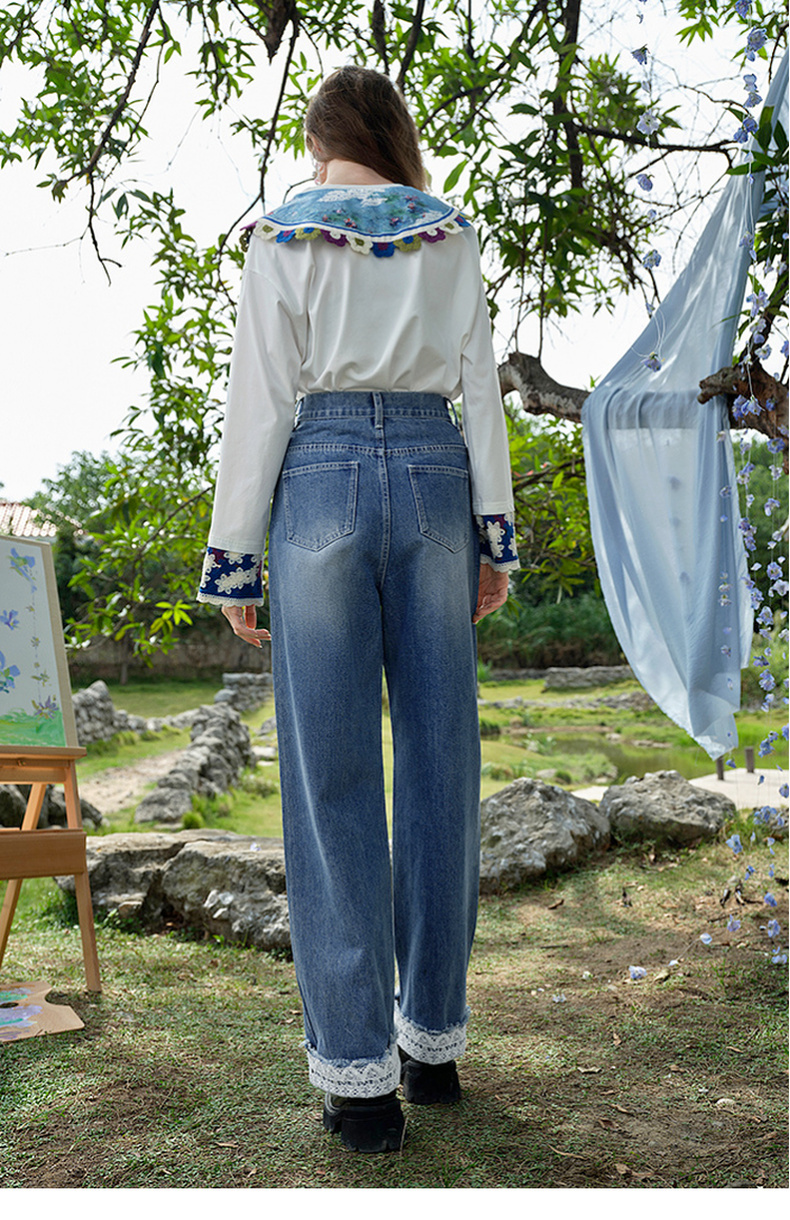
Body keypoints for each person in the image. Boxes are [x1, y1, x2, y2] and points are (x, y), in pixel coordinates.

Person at [198, 65, 519, 1153]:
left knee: (328, 775)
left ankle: (360, 1086)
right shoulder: (451, 234)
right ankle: (432, 1048)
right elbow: (481, 389)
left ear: (321, 139)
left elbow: (258, 400)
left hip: (321, 473)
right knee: (441, 765)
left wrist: (237, 561)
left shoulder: (282, 234)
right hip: (435, 471)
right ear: (394, 135)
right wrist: (494, 537)